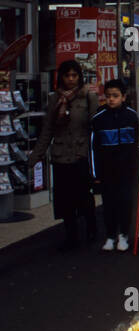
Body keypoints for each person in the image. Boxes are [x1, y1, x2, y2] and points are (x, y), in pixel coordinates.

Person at [30, 60, 98, 248]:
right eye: (67, 75)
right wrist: (36, 156)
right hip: (60, 155)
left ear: (79, 76)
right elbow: (48, 130)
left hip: (80, 153)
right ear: (61, 77)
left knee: (84, 196)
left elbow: (95, 126)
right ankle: (71, 236)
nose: (70, 79)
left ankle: (91, 229)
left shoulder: (88, 96)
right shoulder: (54, 99)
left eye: (74, 75)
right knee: (64, 199)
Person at [90, 78, 139, 252]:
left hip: (126, 171)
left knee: (125, 203)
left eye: (115, 96)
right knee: (108, 204)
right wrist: (95, 174)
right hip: (106, 171)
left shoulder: (131, 116)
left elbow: (135, 145)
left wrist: (135, 169)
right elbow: (93, 148)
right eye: (108, 96)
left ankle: (123, 235)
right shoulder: (98, 118)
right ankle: (110, 235)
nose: (111, 99)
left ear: (123, 97)